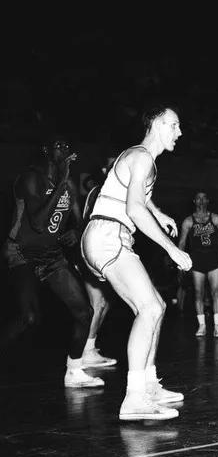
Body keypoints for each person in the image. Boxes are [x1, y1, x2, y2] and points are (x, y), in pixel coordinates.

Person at [81, 105, 192, 421]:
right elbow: (134, 209)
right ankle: (134, 399)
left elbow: (138, 195)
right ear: (157, 124)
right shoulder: (143, 156)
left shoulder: (139, 157)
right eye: (174, 124)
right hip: (108, 235)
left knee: (156, 305)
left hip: (106, 236)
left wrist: (157, 213)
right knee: (150, 309)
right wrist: (171, 248)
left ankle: (148, 385)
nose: (179, 132)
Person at [1, 137, 103, 388]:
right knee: (29, 317)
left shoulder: (67, 185)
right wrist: (61, 183)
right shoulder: (30, 178)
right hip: (21, 252)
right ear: (46, 151)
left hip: (51, 255)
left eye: (68, 146)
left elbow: (80, 219)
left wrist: (77, 231)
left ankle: (74, 371)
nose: (65, 149)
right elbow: (37, 222)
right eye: (59, 146)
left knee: (84, 312)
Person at [78, 156, 119, 368]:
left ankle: (89, 348)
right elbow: (88, 224)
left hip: (104, 250)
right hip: (93, 251)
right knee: (98, 303)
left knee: (106, 303)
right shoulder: (100, 192)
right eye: (112, 165)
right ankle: (84, 353)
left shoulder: (115, 192)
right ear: (105, 170)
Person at [177, 192, 218, 338]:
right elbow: (182, 241)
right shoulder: (188, 221)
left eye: (204, 197)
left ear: (207, 200)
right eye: (198, 198)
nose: (201, 200)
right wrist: (179, 260)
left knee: (216, 292)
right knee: (198, 293)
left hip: (214, 259)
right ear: (194, 201)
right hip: (197, 260)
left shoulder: (215, 218)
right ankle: (202, 326)